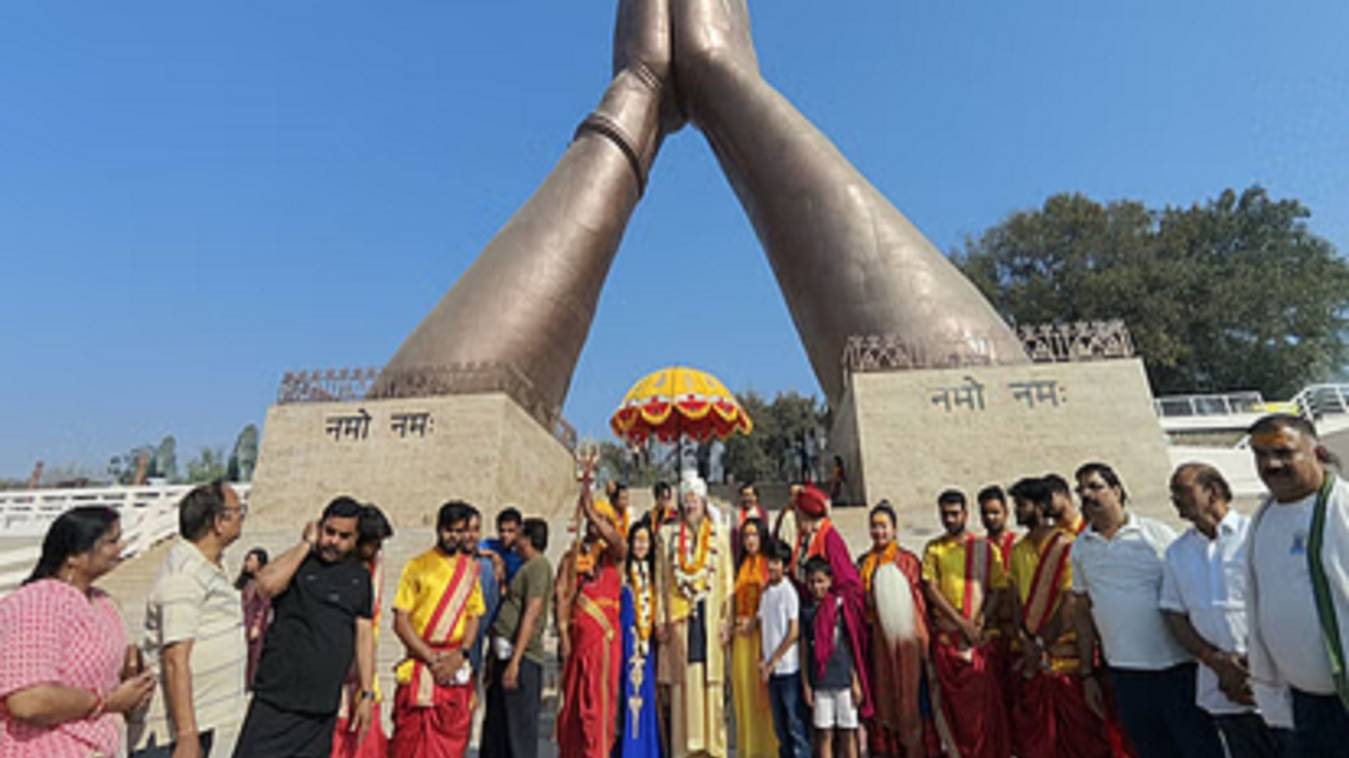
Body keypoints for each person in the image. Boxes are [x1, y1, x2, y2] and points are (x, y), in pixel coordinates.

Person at [1068, 462, 1223, 758]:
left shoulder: (1156, 535)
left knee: (1198, 747)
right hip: (1127, 675)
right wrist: (1088, 673)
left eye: (1095, 486)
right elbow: (1083, 614)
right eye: (1081, 490)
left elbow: (1186, 595)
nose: (1087, 495)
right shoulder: (1081, 548)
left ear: (1116, 491)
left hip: (1175, 669)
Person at [0, 506, 156, 757]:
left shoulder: (101, 602)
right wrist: (107, 702)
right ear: (74, 556)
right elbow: (27, 700)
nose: (121, 546)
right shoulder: (38, 602)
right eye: (111, 541)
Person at [1159, 463, 1291, 757]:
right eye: (1172, 493)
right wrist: (1216, 661)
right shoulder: (1177, 553)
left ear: (1214, 491)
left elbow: (1284, 603)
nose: (1175, 499)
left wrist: (1256, 665)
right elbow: (1175, 615)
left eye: (1182, 490)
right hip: (1222, 689)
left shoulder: (1256, 536)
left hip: (1277, 681)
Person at [233, 497, 375, 757]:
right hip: (277, 700)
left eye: (344, 536)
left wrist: (367, 694)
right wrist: (306, 544)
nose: (334, 541)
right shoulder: (299, 564)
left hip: (321, 709)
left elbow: (364, 637)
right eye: (329, 531)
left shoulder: (360, 577)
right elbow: (265, 585)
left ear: (355, 539)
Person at [1245, 414, 1349, 754]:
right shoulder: (1264, 519)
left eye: (1283, 452)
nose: (1270, 464)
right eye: (1259, 455)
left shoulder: (1342, 508)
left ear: (1316, 452)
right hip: (1305, 704)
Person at [1006, 477, 1120, 758]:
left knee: (1085, 743)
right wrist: (1026, 640)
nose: (1017, 512)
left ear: (1041, 507)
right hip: (1037, 662)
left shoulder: (1069, 545)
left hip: (1068, 661)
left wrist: (1042, 643)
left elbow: (1072, 602)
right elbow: (1017, 600)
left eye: (1022, 505)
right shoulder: (1018, 550)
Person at [134, 481, 247, 758]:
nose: (243, 517)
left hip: (197, 718)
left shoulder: (206, 565)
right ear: (218, 522)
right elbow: (175, 659)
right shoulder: (184, 575)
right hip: (172, 732)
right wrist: (186, 735)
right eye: (238, 511)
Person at [388, 500, 486, 758]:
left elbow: (474, 616)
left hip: (455, 666)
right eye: (448, 530)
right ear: (439, 528)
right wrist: (431, 658)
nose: (453, 536)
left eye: (459, 531)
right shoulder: (417, 566)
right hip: (422, 665)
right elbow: (400, 620)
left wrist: (461, 654)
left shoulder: (470, 570)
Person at [920, 488, 1010, 758]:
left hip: (978, 640)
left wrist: (979, 621)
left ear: (965, 514)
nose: (949, 519)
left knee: (984, 713)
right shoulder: (934, 549)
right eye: (945, 514)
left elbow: (997, 588)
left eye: (954, 514)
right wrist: (961, 622)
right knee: (954, 713)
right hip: (950, 642)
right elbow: (931, 589)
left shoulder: (984, 548)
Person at [656, 473, 734, 757]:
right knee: (683, 683)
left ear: (703, 502)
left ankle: (714, 748)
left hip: (710, 615)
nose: (691, 506)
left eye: (695, 501)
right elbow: (661, 580)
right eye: (686, 502)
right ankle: (684, 749)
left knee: (711, 682)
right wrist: (661, 618)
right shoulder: (667, 536)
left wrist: (727, 619)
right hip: (680, 618)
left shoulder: (720, 535)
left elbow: (727, 582)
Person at [555, 458, 626, 758]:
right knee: (573, 711)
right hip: (577, 643)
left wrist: (591, 510)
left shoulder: (615, 556)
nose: (598, 525)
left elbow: (617, 541)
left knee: (598, 710)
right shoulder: (573, 556)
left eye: (604, 519)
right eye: (594, 520)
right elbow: (561, 596)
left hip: (604, 645)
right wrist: (564, 637)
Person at [856, 502, 930, 758]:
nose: (878, 532)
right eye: (874, 527)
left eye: (883, 526)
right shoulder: (864, 563)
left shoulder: (907, 561)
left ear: (894, 529)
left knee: (909, 702)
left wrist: (924, 644)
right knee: (883, 702)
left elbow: (918, 606)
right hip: (877, 645)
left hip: (905, 643)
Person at [482, 518, 552, 758]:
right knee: (497, 731)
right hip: (504, 655)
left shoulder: (538, 567)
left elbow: (531, 613)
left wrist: (515, 661)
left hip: (522, 660)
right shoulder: (524, 567)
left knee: (518, 735)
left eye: (519, 536)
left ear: (529, 540)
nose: (515, 541)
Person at [331, 504, 394, 758]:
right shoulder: (334, 573)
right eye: (374, 544)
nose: (378, 550)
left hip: (364, 672)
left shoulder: (372, 568)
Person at [800, 557, 862, 758]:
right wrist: (806, 684)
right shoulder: (807, 612)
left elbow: (849, 644)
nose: (816, 587)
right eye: (812, 582)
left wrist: (855, 681)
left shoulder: (839, 607)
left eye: (820, 581)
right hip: (820, 681)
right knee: (824, 733)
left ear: (829, 581)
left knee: (847, 733)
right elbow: (804, 649)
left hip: (843, 680)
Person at [615, 517, 663, 757]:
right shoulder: (623, 573)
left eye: (646, 541)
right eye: (637, 540)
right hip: (628, 641)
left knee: (646, 697)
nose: (641, 546)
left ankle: (646, 749)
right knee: (628, 696)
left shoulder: (654, 575)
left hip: (647, 646)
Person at [758, 539, 810, 758]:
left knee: (794, 723)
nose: (772, 567)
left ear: (786, 566)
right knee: (780, 726)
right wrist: (763, 659)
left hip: (787, 669)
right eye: (770, 561)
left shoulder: (788, 592)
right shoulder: (766, 593)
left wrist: (773, 661)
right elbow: (763, 626)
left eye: (777, 562)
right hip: (772, 670)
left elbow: (793, 632)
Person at [731, 517, 778, 758]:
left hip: (762, 638)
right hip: (741, 640)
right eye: (746, 536)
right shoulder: (740, 565)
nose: (750, 540)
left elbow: (773, 602)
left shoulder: (767, 566)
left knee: (763, 698)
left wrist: (755, 621)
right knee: (745, 695)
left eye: (754, 535)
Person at [465, 507, 505, 681]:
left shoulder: (487, 570)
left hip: (472, 658)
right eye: (466, 530)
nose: (471, 536)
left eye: (476, 529)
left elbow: (491, 619)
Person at [236, 548, 270, 690]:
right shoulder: (246, 584)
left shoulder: (263, 582)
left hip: (257, 628)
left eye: (251, 560)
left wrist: (257, 624)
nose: (247, 563)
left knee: (255, 657)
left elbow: (264, 605)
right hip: (244, 623)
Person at [482, 507, 525, 583]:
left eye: (510, 531)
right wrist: (493, 555)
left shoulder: (523, 553)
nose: (505, 535)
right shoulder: (491, 545)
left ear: (519, 529)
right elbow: (472, 550)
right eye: (502, 531)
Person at [977, 485, 1016, 566]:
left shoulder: (1017, 544)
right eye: (985, 513)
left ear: (1006, 512)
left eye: (995, 512)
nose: (990, 517)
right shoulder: (979, 549)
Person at [731, 483, 768, 565]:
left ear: (756, 497)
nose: (747, 498)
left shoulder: (762, 514)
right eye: (744, 495)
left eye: (750, 495)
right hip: (741, 557)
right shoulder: (736, 514)